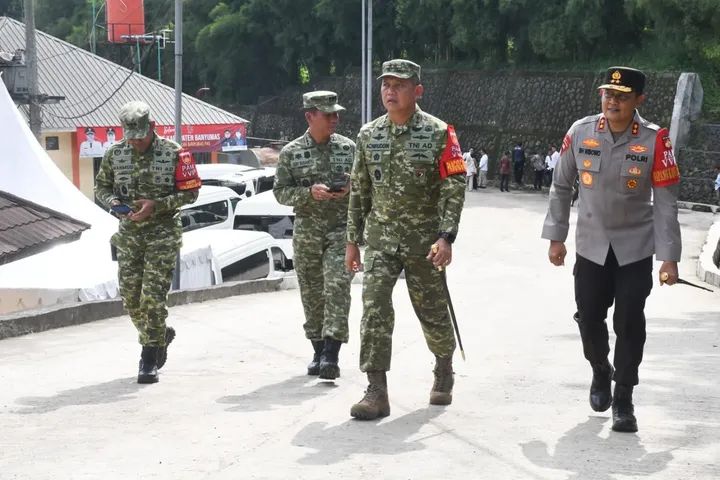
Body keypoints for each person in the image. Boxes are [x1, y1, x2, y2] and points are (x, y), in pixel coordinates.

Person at [542, 66, 681, 433]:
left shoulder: (656, 140)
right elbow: (561, 186)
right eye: (608, 94)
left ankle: (624, 397)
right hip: (591, 245)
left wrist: (669, 258)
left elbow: (666, 202)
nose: (613, 101)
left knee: (629, 321)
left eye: (622, 96)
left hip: (635, 248)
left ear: (639, 100)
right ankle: (600, 368)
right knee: (589, 317)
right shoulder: (581, 131)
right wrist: (556, 237)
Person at [345, 59, 466, 420]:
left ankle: (443, 366)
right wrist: (352, 241)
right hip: (380, 240)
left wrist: (446, 237)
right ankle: (376, 390)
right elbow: (359, 190)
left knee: (431, 310)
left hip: (424, 242)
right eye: (386, 84)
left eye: (399, 85)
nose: (390, 91)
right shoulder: (368, 134)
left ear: (418, 91)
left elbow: (454, 186)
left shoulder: (440, 133)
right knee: (374, 309)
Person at [95, 101, 201, 384]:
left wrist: (157, 205)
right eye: (131, 138)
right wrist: (114, 203)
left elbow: (191, 193)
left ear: (152, 127)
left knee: (152, 297)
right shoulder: (114, 153)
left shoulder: (175, 153)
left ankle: (149, 358)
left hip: (163, 233)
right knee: (131, 299)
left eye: (141, 137)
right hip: (129, 234)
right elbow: (101, 187)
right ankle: (160, 335)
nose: (136, 143)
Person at [273, 91, 355, 381]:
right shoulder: (291, 152)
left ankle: (332, 354)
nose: (335, 119)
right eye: (328, 114)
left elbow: (366, 185)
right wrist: (309, 193)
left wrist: (351, 189)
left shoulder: (348, 148)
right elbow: (280, 192)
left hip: (340, 229)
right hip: (307, 232)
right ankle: (318, 351)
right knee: (311, 292)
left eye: (336, 114)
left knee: (337, 286)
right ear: (310, 116)